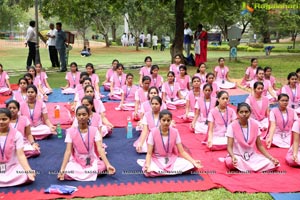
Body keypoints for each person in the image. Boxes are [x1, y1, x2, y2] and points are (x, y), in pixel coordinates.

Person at [57, 106, 115, 181]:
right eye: (79, 115)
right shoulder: (71, 132)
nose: (81, 117)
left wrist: (108, 165)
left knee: (102, 167)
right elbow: (68, 151)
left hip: (92, 160)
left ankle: (78, 175)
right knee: (67, 171)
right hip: (77, 161)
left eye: (84, 114)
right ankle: (85, 174)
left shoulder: (94, 130)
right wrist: (62, 169)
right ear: (76, 117)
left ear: (89, 116)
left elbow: (100, 148)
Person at [138, 109, 202, 177]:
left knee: (190, 165)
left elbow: (182, 152)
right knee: (149, 170)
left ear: (171, 121)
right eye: (164, 120)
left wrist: (193, 161)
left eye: (168, 120)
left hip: (171, 159)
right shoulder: (153, 132)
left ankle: (162, 172)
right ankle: (168, 171)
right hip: (157, 159)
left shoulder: (175, 132)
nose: (166, 122)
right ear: (160, 120)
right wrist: (147, 165)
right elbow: (149, 153)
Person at [225, 103, 279, 172]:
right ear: (237, 113)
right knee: (231, 162)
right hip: (238, 156)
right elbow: (229, 147)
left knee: (273, 163)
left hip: (251, 156)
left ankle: (246, 168)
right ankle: (253, 168)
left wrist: (271, 158)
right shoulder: (232, 126)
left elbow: (260, 146)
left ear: (250, 113)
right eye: (241, 112)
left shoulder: (255, 125)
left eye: (246, 112)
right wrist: (233, 156)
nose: (244, 114)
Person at [0, 108, 36, 187]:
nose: (1, 122)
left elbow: (21, 155)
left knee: (24, 175)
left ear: (10, 120)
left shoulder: (17, 134)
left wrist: (28, 170)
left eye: (4, 119)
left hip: (12, 166)